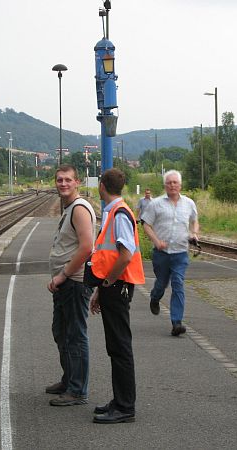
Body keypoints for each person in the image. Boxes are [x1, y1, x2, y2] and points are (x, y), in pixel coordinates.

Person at [89, 168, 145, 424]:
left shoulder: (119, 214)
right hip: (112, 286)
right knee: (116, 346)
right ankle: (120, 400)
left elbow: (125, 254)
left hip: (118, 285)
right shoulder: (115, 212)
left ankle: (125, 406)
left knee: (120, 347)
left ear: (102, 186)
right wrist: (101, 289)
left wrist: (109, 282)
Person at [46, 165, 96, 406]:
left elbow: (87, 247)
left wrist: (63, 274)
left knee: (75, 335)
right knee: (61, 333)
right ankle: (69, 380)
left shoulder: (79, 209)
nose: (63, 183)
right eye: (59, 180)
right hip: (66, 283)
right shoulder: (70, 208)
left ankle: (78, 390)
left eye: (67, 180)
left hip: (74, 283)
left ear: (77, 182)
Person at [141, 170, 199, 337]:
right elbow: (146, 225)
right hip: (162, 253)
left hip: (181, 252)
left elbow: (194, 220)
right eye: (169, 182)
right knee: (161, 283)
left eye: (175, 182)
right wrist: (156, 241)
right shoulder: (156, 204)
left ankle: (176, 322)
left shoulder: (189, 203)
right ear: (165, 185)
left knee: (178, 283)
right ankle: (155, 297)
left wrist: (194, 233)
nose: (172, 185)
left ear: (180, 185)